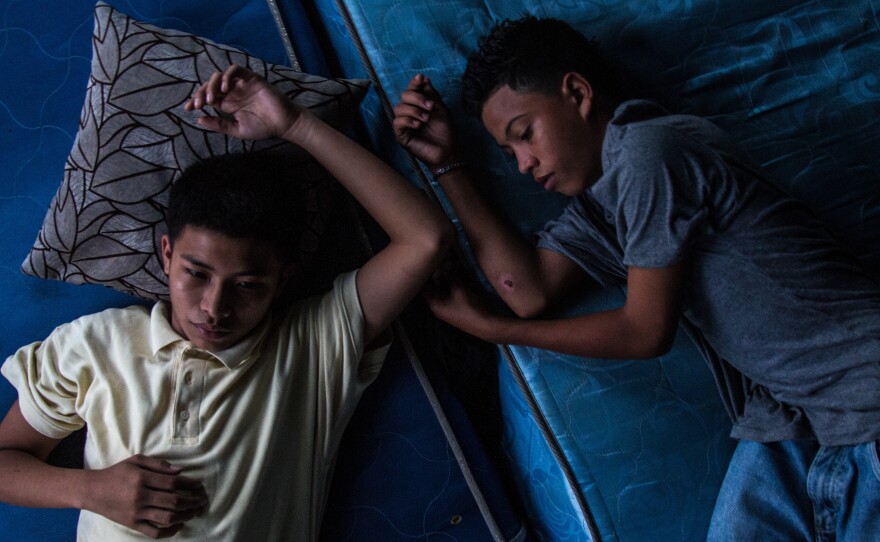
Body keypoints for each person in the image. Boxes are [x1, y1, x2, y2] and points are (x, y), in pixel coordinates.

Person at [393, 15, 880, 541]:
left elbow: (646, 330)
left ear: (577, 94)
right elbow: (525, 290)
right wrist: (448, 165)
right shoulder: (602, 207)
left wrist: (492, 331)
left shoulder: (652, 152)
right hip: (796, 421)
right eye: (510, 154)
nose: (523, 166)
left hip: (862, 397)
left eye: (525, 135)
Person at [0, 64, 453, 540]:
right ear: (167, 254)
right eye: (196, 274)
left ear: (284, 279)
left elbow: (426, 239)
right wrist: (89, 491)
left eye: (249, 285)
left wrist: (296, 125)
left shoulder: (314, 347)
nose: (214, 308)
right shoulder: (95, 344)